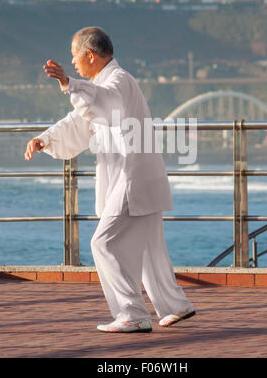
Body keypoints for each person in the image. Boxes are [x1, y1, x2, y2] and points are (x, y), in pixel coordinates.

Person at [24, 27, 195, 333]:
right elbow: (80, 120)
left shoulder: (119, 81)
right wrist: (45, 139)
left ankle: (132, 314)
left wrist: (68, 83)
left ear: (90, 55)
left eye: (75, 56)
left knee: (102, 243)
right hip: (140, 179)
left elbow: (104, 103)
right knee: (148, 251)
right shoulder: (104, 85)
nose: (73, 62)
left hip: (133, 179)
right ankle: (176, 307)